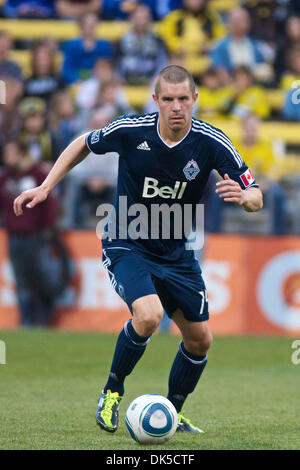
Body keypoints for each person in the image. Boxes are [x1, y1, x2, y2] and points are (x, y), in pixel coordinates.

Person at [13, 65, 263, 433]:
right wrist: (47, 186)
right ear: (156, 101)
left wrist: (246, 198)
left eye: (183, 99)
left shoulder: (212, 142)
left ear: (195, 99)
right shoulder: (131, 130)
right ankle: (111, 392)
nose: (176, 107)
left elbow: (256, 193)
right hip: (126, 241)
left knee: (200, 340)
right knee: (148, 316)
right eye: (168, 99)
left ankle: (172, 413)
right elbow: (83, 142)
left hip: (176, 252)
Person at [0, 140, 62, 327]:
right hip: (15, 236)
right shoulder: (6, 178)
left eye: (10, 152)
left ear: (22, 153)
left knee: (44, 278)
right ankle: (26, 321)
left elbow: (51, 206)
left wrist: (49, 229)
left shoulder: (39, 175)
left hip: (37, 236)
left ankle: (44, 319)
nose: (6, 157)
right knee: (21, 281)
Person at [116, 3, 168, 86]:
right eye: (138, 18)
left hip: (151, 81)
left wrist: (156, 78)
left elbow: (162, 62)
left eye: (144, 18)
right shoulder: (122, 40)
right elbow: (117, 62)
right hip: (125, 81)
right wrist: (119, 77)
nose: (141, 22)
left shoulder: (157, 40)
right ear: (131, 19)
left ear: (149, 19)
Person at [61, 12, 114, 85]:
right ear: (81, 26)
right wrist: (75, 80)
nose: (91, 28)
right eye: (88, 25)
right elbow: (67, 68)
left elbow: (107, 67)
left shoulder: (104, 45)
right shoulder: (72, 45)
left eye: (93, 25)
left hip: (99, 83)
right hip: (76, 83)